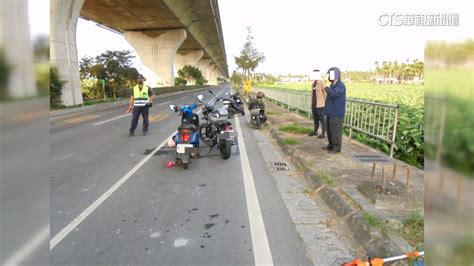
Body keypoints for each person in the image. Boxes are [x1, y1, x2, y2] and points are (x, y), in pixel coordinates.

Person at [323, 67, 346, 154]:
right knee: (330, 130)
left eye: (330, 74)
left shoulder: (340, 85)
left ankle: (336, 147)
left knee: (335, 131)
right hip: (330, 112)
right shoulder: (333, 85)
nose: (328, 76)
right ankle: (331, 145)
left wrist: (325, 87)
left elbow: (334, 94)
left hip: (336, 113)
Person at [309, 72, 327, 138]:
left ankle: (323, 133)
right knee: (315, 119)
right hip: (314, 104)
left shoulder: (322, 83)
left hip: (320, 105)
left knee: (322, 119)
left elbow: (325, 94)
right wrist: (311, 104)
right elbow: (312, 94)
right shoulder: (313, 83)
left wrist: (326, 104)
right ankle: (315, 131)